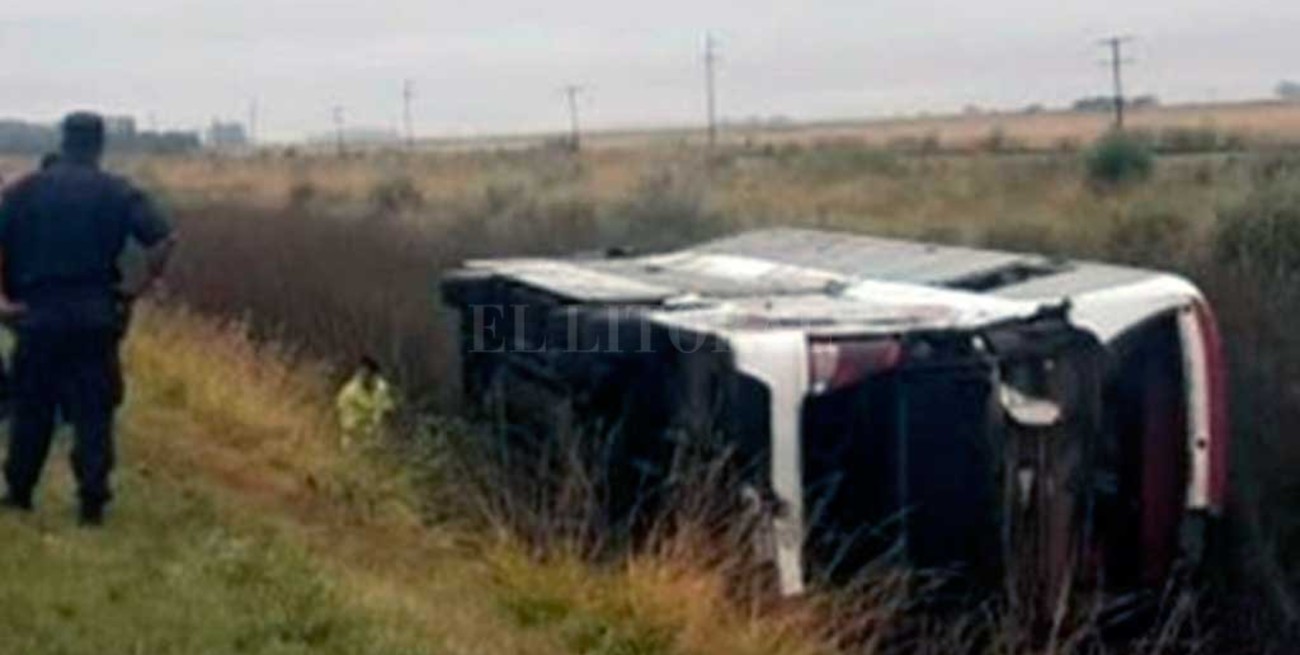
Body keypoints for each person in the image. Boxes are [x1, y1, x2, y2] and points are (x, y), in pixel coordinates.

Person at [0, 112, 176, 525]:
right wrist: (137, 287)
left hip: (37, 313)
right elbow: (164, 238)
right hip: (94, 313)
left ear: (62, 142)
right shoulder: (118, 191)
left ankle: (20, 492)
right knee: (93, 411)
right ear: (99, 146)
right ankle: (92, 502)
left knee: (31, 405)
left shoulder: (24, 191)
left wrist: (2, 301)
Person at [335, 356, 396, 448]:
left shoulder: (382, 388)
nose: (364, 376)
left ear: (374, 375)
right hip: (355, 441)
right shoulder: (349, 392)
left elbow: (388, 410)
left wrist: (385, 426)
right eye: (362, 373)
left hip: (377, 440)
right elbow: (346, 419)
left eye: (368, 374)